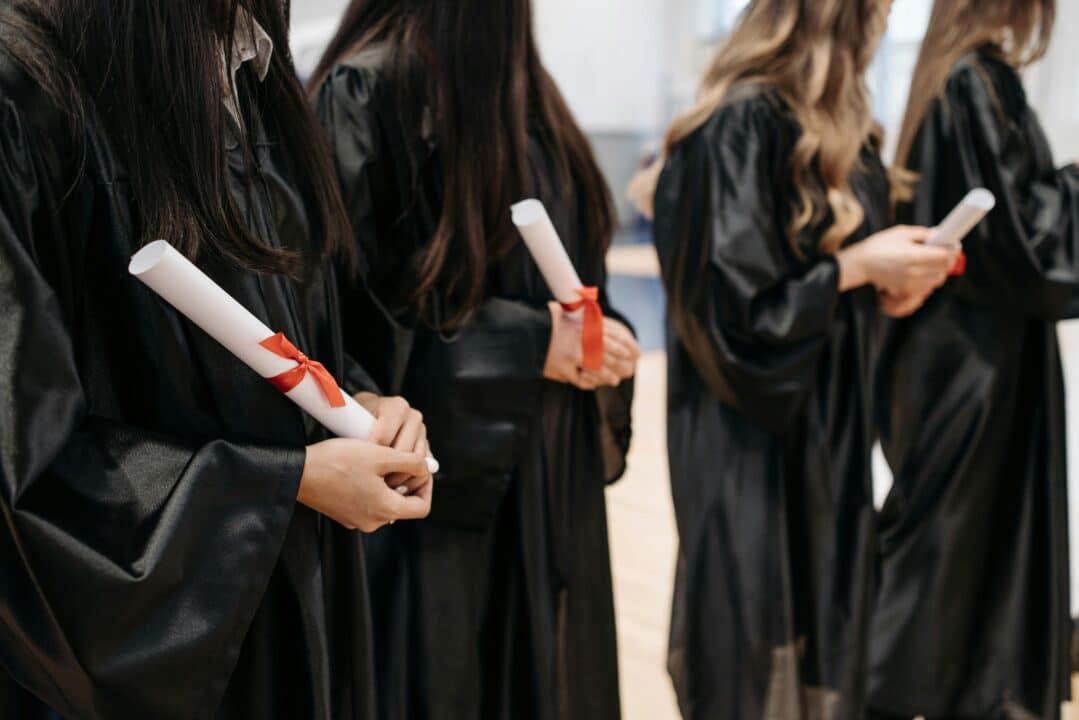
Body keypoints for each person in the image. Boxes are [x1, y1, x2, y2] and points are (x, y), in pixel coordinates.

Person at [0, 1, 433, 718]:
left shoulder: (251, 76)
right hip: (161, 654)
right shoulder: (26, 87)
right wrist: (284, 483)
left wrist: (362, 404)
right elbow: (25, 470)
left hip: (292, 602)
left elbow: (294, 322)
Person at [309, 2, 639, 718]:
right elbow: (348, 339)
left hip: (547, 476)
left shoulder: (532, 98)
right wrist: (526, 344)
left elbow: (581, 279)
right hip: (442, 503)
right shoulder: (370, 94)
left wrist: (600, 338)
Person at [631, 0, 957, 716]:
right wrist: (853, 269)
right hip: (749, 437)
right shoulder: (739, 127)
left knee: (823, 626)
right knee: (752, 639)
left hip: (826, 433)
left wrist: (886, 287)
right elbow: (737, 319)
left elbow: (820, 282)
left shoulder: (844, 134)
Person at [868, 1, 1078, 717]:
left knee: (961, 553)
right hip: (973, 365)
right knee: (942, 553)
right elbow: (1022, 238)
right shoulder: (973, 82)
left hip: (962, 357)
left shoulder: (952, 79)